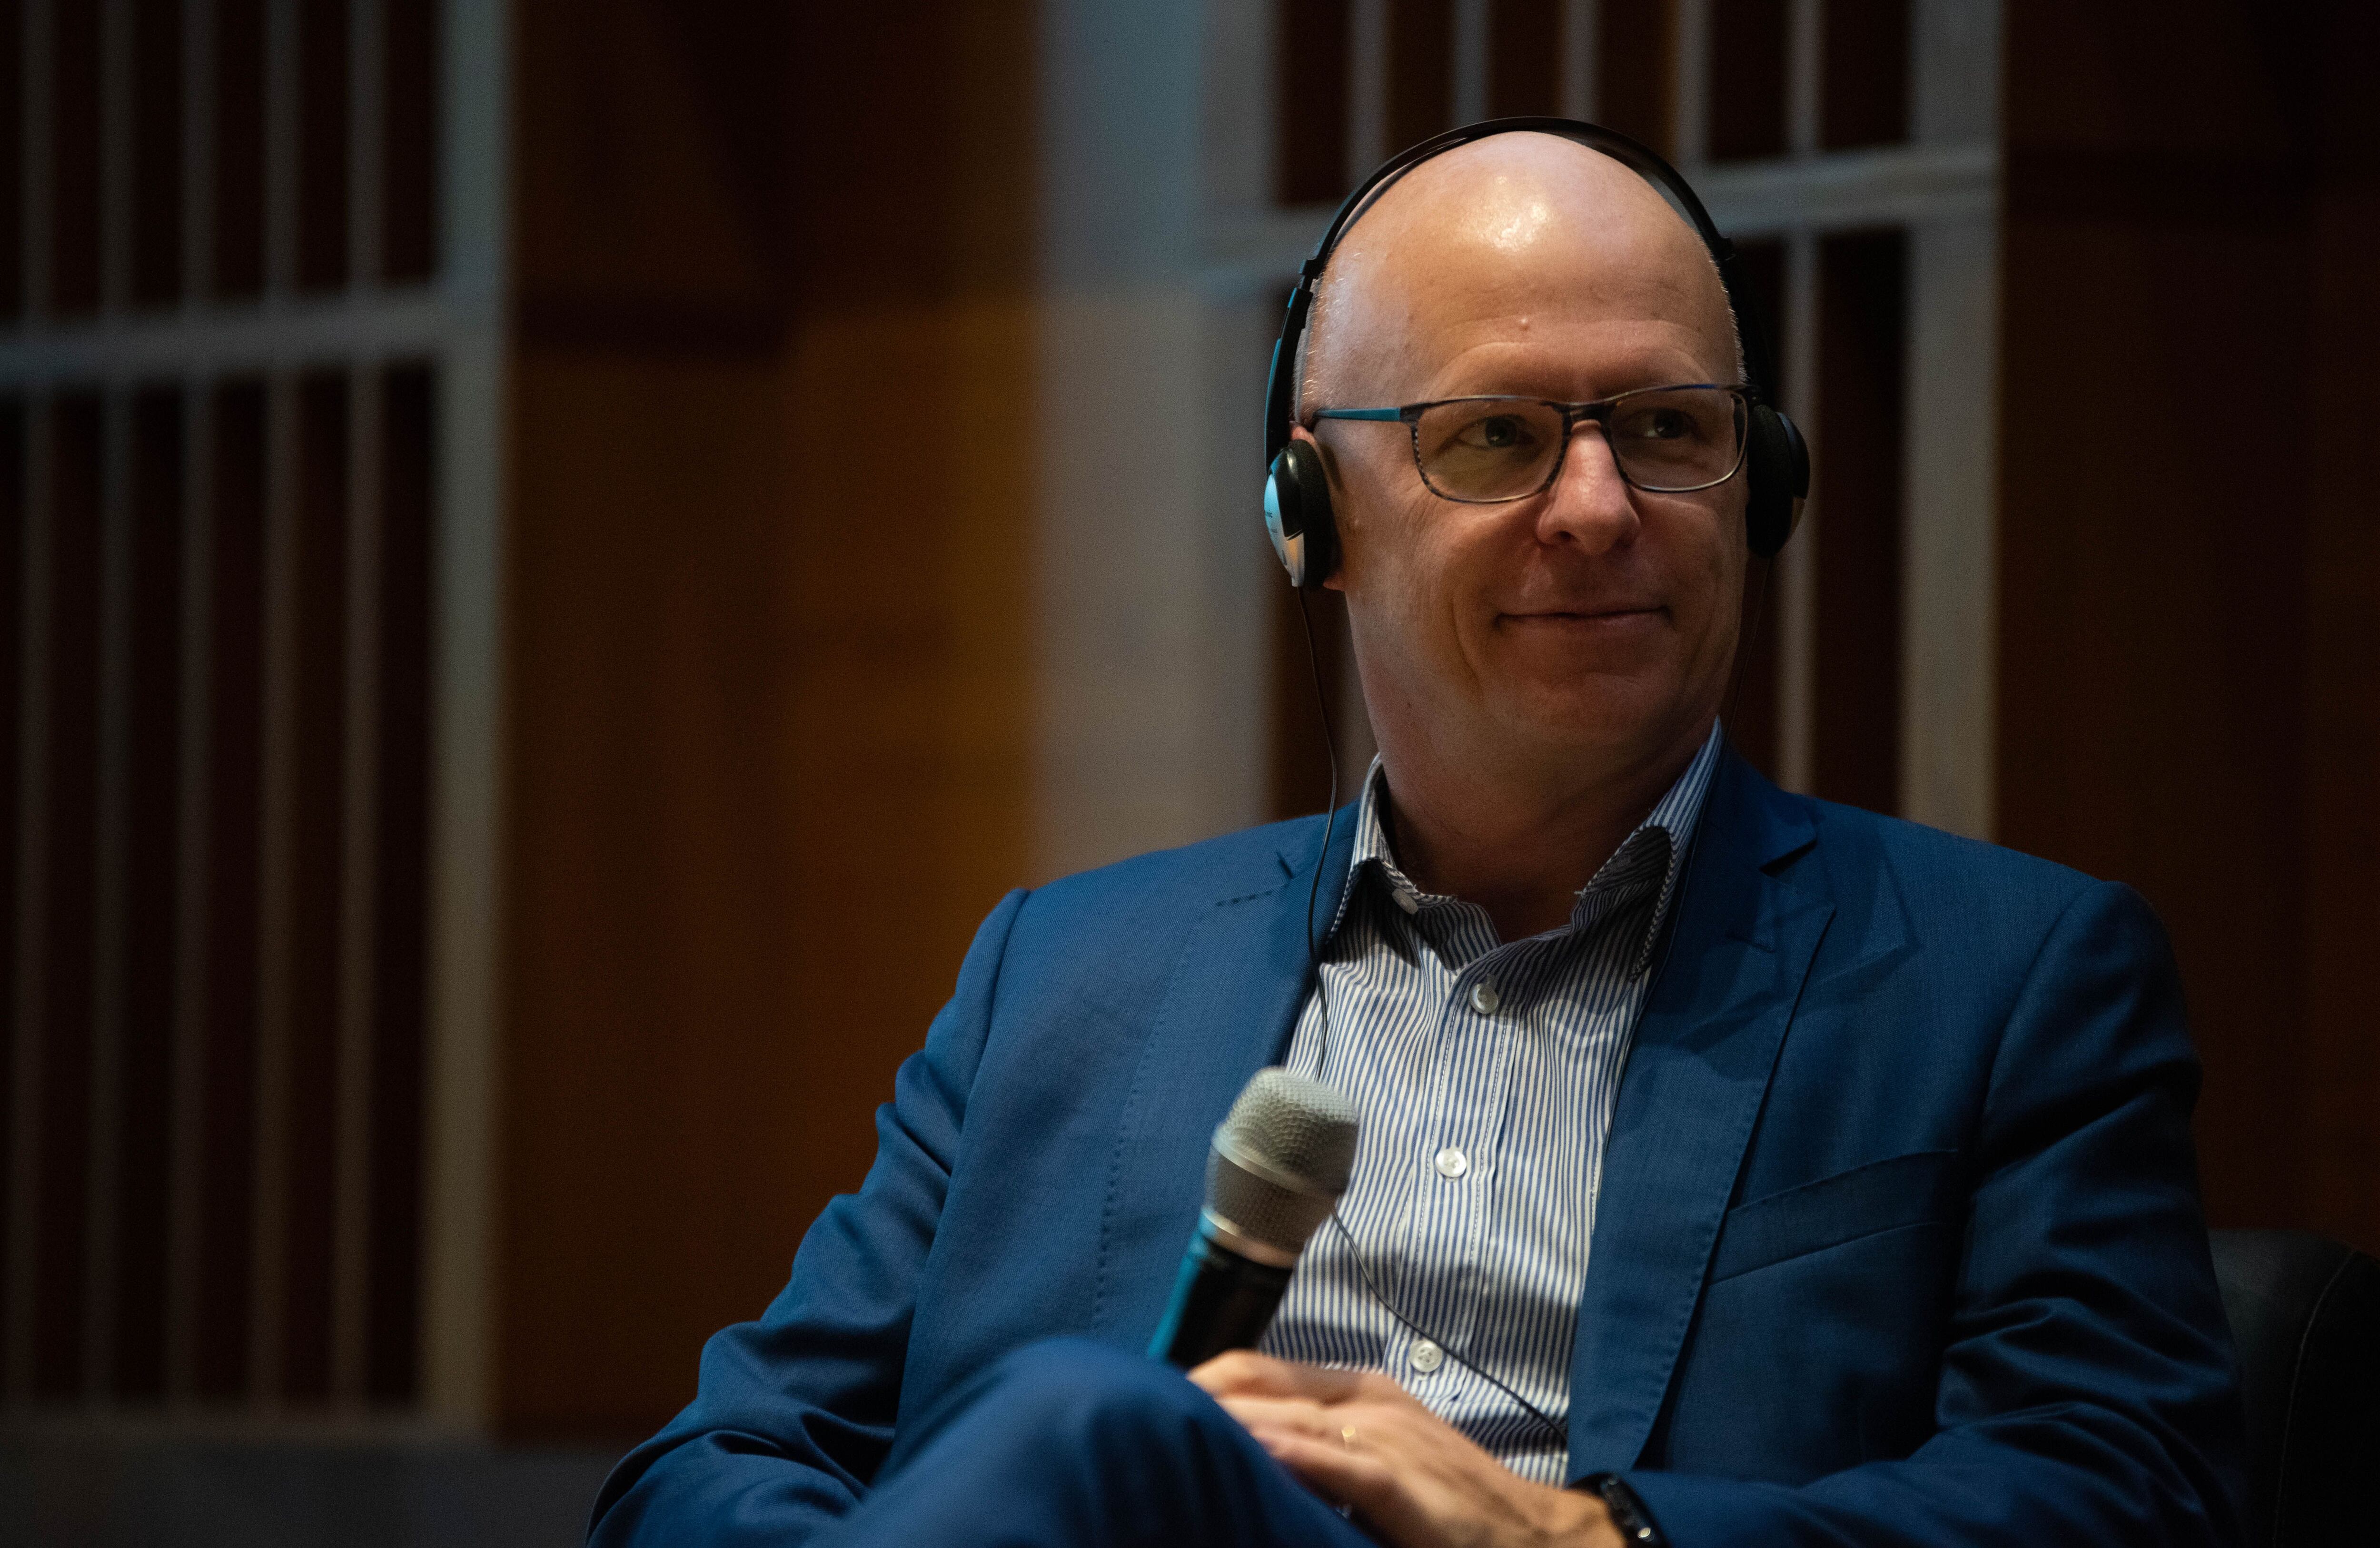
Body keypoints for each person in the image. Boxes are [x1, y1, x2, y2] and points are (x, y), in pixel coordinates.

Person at [586, 128, 2243, 1548]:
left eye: (1668, 428)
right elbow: (713, 1467)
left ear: (1765, 483)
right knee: (1096, 1432)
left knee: (1091, 1419)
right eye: (1495, 438)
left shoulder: (2010, 978)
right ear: (1313, 515)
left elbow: (2126, 1489)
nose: (1597, 507)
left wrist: (1576, 1535)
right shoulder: (1062, 977)